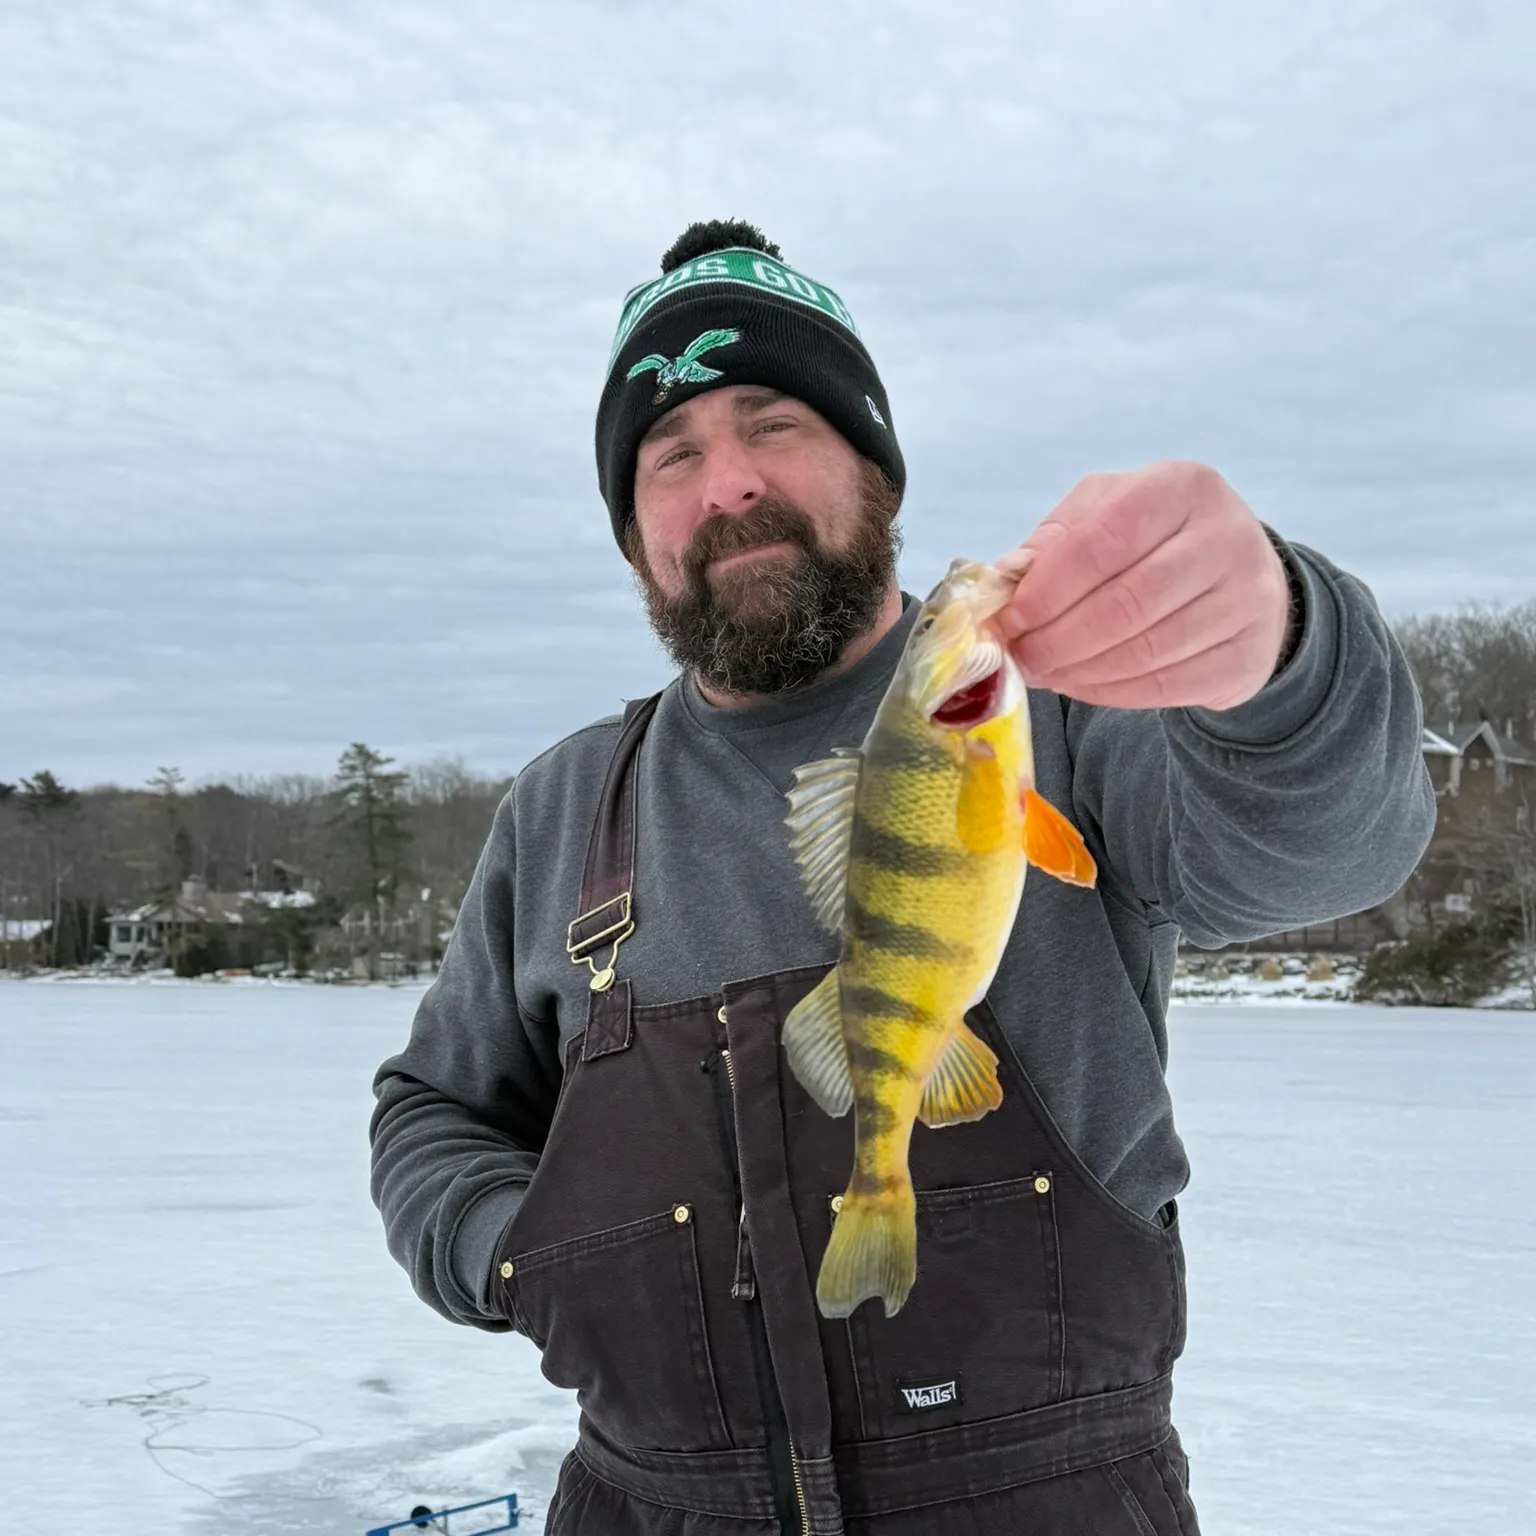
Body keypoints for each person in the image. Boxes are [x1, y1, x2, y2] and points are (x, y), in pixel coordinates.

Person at [370, 220, 1435, 1535]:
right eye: (672, 453)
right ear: (633, 526)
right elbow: (434, 1114)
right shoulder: (564, 809)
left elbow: (1333, 847)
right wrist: (519, 1260)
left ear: (871, 464)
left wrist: (1275, 643)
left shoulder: (1071, 711)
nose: (729, 485)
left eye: (774, 424)